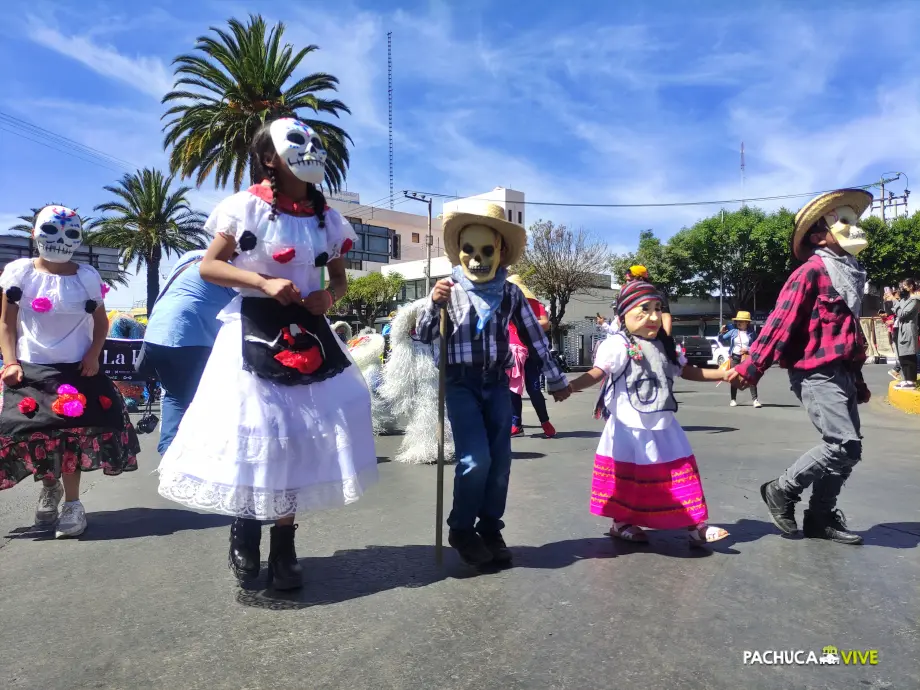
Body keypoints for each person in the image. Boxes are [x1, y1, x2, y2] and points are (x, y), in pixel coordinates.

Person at [156, 117, 378, 590]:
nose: (310, 147)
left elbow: (338, 279)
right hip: (251, 330)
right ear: (269, 157)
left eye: (314, 140)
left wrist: (330, 298)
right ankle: (246, 525)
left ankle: (285, 543)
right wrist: (261, 281)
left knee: (299, 435)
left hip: (309, 332)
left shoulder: (329, 219)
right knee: (256, 432)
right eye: (295, 140)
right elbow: (210, 266)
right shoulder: (243, 208)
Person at [417, 200, 570, 567]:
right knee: (475, 460)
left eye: (486, 250)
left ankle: (489, 527)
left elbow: (535, 339)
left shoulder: (511, 292)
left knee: (500, 462)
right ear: (459, 251)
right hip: (460, 385)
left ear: (501, 251)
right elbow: (422, 336)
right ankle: (461, 529)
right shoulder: (446, 289)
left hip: (497, 384)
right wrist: (431, 306)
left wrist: (555, 378)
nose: (476, 258)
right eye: (468, 249)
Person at [728, 189, 873, 545]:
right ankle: (781, 490)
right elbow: (780, 322)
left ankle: (820, 517)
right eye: (841, 220)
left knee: (849, 451)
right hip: (814, 370)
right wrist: (752, 366)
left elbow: (848, 335)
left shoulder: (849, 273)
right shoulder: (810, 272)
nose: (851, 227)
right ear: (817, 234)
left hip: (841, 372)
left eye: (851, 220)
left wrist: (858, 379)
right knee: (841, 445)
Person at [0, 206, 140, 538]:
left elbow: (101, 323)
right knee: (40, 438)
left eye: (71, 233)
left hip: (77, 370)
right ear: (35, 234)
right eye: (50, 231)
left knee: (71, 441)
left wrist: (93, 355)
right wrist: (11, 362)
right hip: (30, 369)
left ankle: (73, 505)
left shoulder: (87, 277)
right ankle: (50, 489)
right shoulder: (19, 273)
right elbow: (6, 323)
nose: (60, 240)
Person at [569, 280, 730, 546]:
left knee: (681, 475)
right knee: (629, 482)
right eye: (643, 310)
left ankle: (695, 525)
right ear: (623, 316)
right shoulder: (617, 345)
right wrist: (571, 385)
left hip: (665, 426)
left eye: (657, 309)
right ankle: (621, 523)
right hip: (627, 430)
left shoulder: (667, 345)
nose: (654, 317)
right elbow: (598, 372)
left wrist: (723, 374)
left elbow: (687, 371)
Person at [140, 250, 236, 454]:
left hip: (157, 334)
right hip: (192, 339)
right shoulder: (234, 270)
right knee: (202, 400)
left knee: (174, 395)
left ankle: (168, 454)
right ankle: (197, 460)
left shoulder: (191, 256)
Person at [506, 273, 556, 438]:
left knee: (534, 388)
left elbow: (546, 323)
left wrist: (527, 323)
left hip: (532, 351)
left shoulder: (535, 304)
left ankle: (545, 421)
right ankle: (516, 424)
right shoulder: (505, 305)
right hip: (513, 351)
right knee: (513, 389)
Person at [718, 310, 762, 408]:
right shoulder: (733, 332)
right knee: (733, 378)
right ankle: (733, 399)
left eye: (741, 321)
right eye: (737, 321)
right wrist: (721, 332)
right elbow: (721, 339)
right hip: (735, 357)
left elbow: (757, 345)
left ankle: (755, 400)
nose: (739, 323)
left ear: (747, 322)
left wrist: (748, 349)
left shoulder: (752, 333)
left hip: (747, 357)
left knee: (751, 377)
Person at [892, 279, 919, 389]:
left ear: (911, 286)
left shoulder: (914, 300)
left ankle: (911, 381)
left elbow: (902, 314)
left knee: (908, 355)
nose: (902, 288)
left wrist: (895, 301)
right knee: (902, 355)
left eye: (904, 286)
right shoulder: (905, 299)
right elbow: (897, 310)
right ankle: (906, 379)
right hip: (901, 329)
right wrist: (896, 301)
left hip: (908, 330)